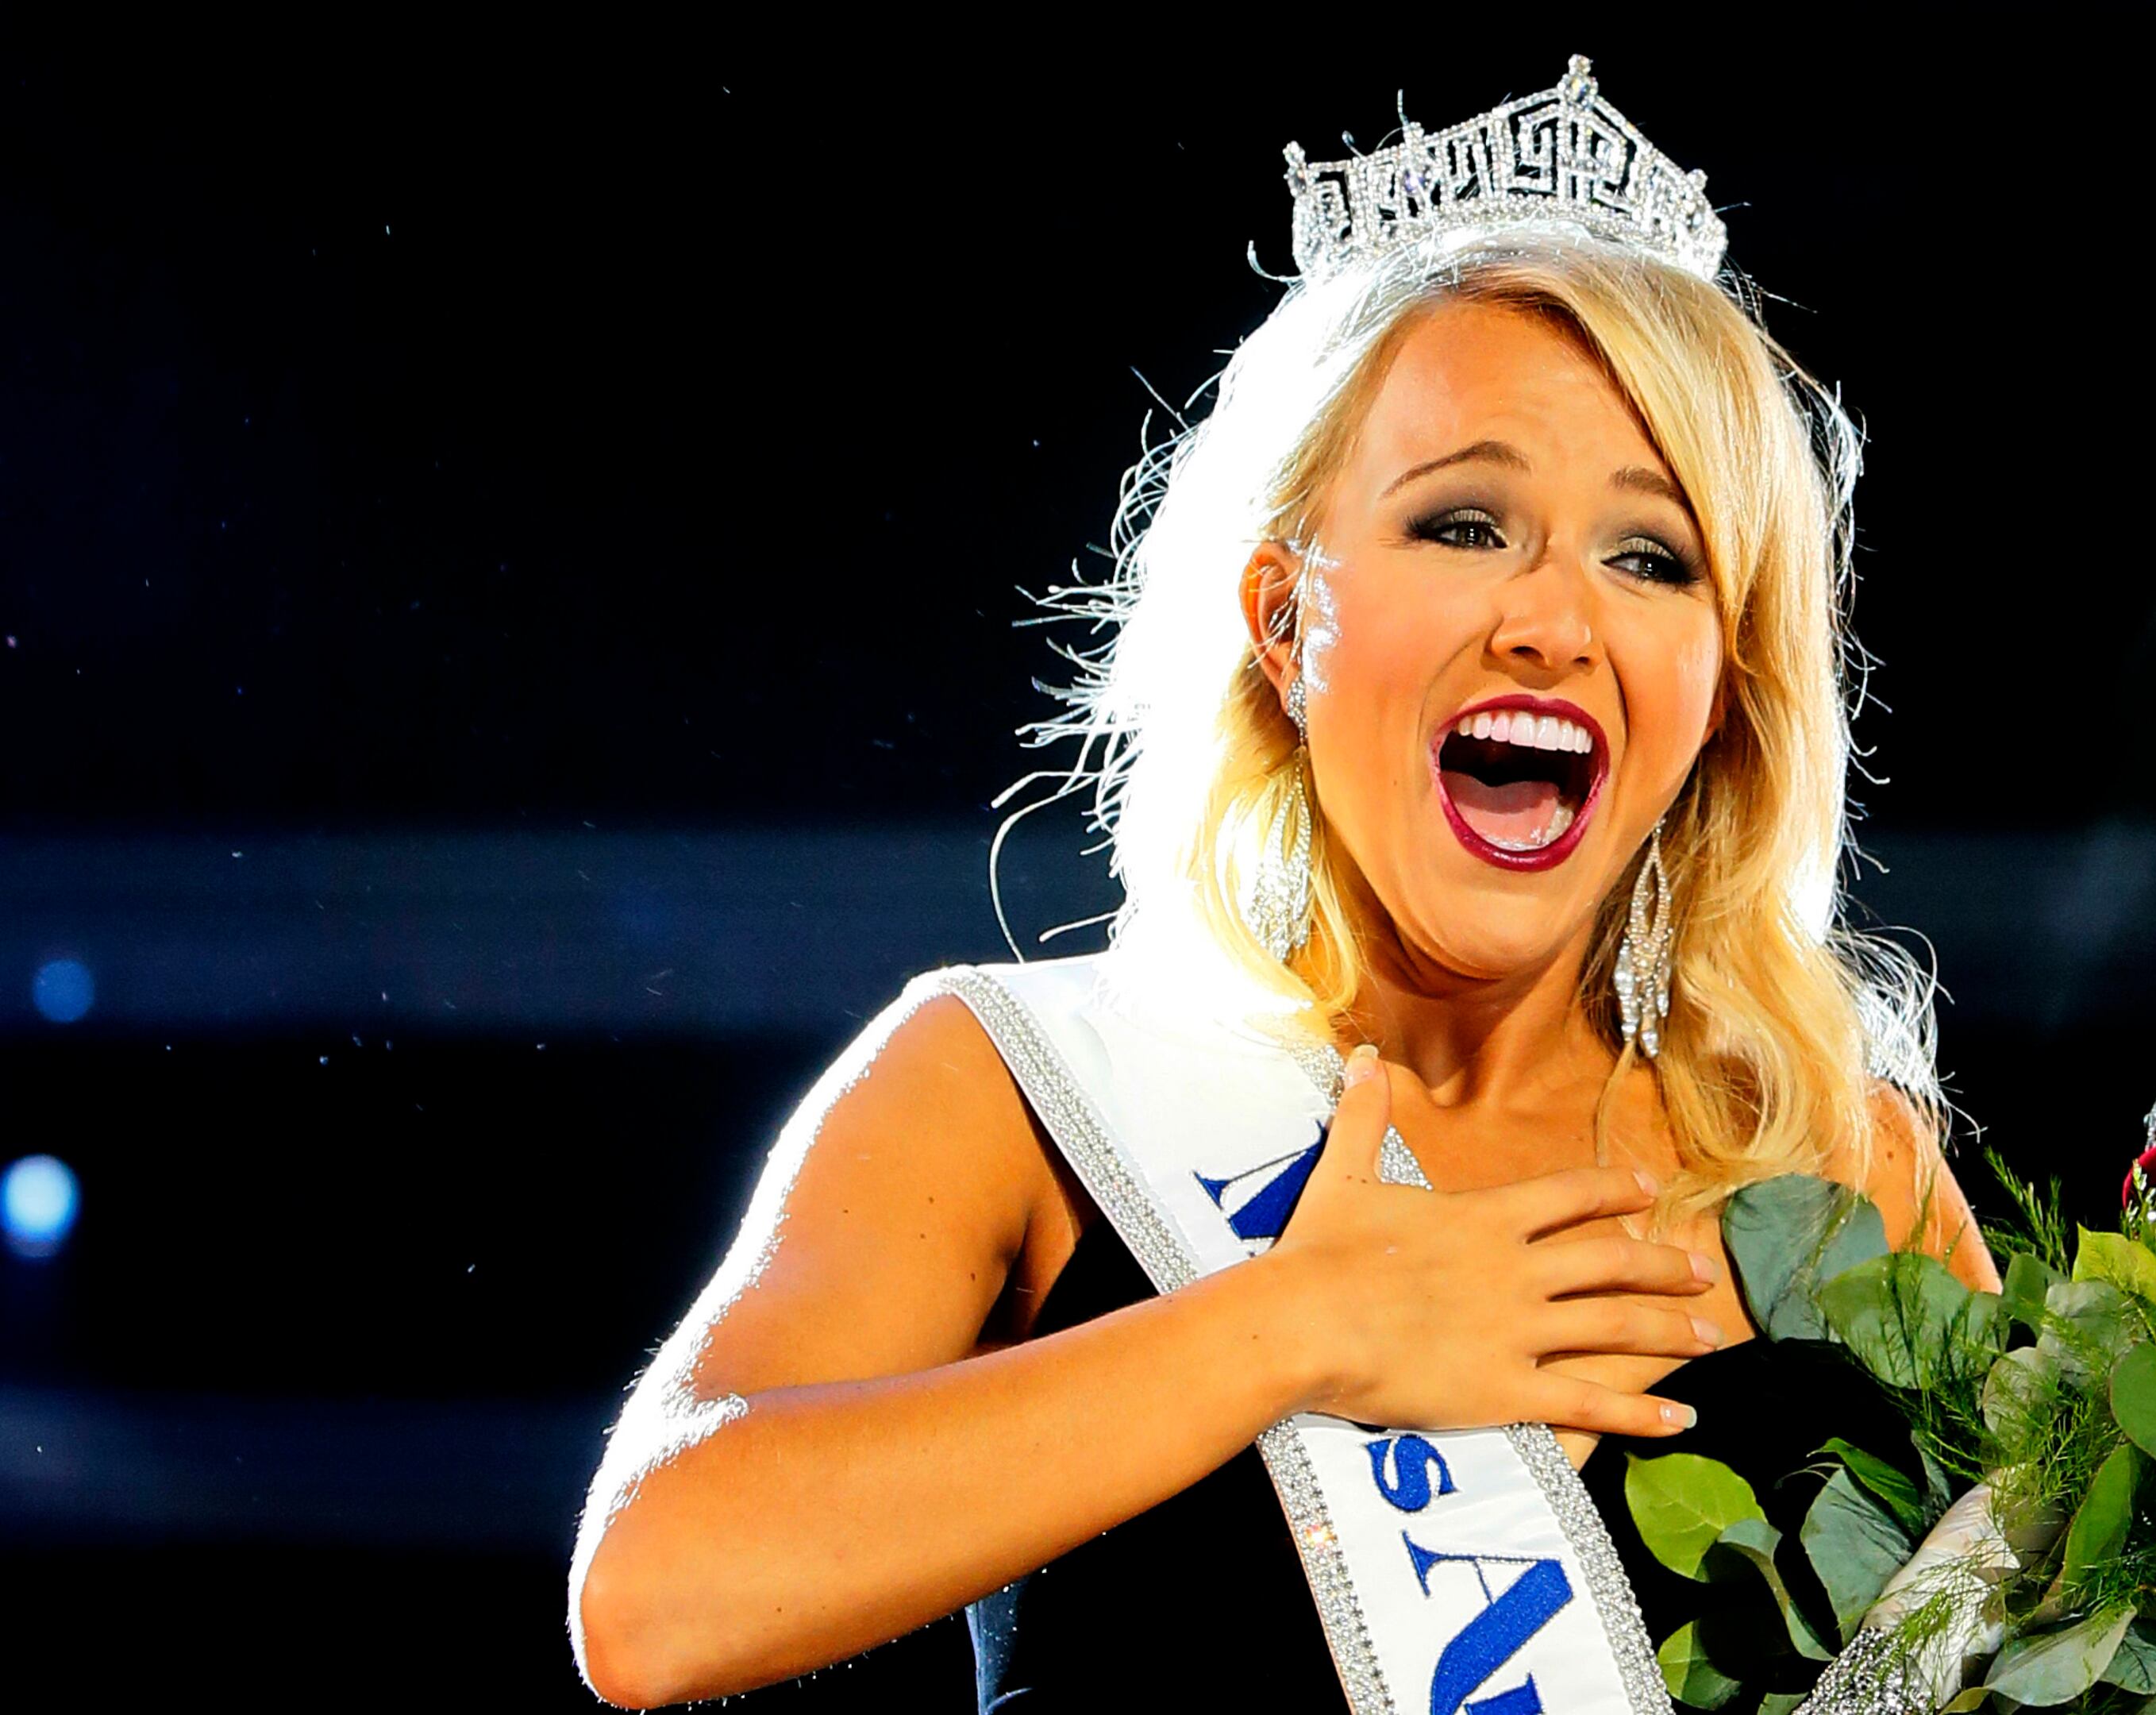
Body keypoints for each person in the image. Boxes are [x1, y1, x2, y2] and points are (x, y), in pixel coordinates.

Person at [568, 58, 1997, 1713]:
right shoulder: (1015, 1088)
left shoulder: (1832, 1159)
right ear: (1283, 617)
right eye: (1464, 525)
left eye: (1651, 556)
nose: (1555, 620)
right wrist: (1298, 1328)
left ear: (1724, 687)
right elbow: (659, 1597)